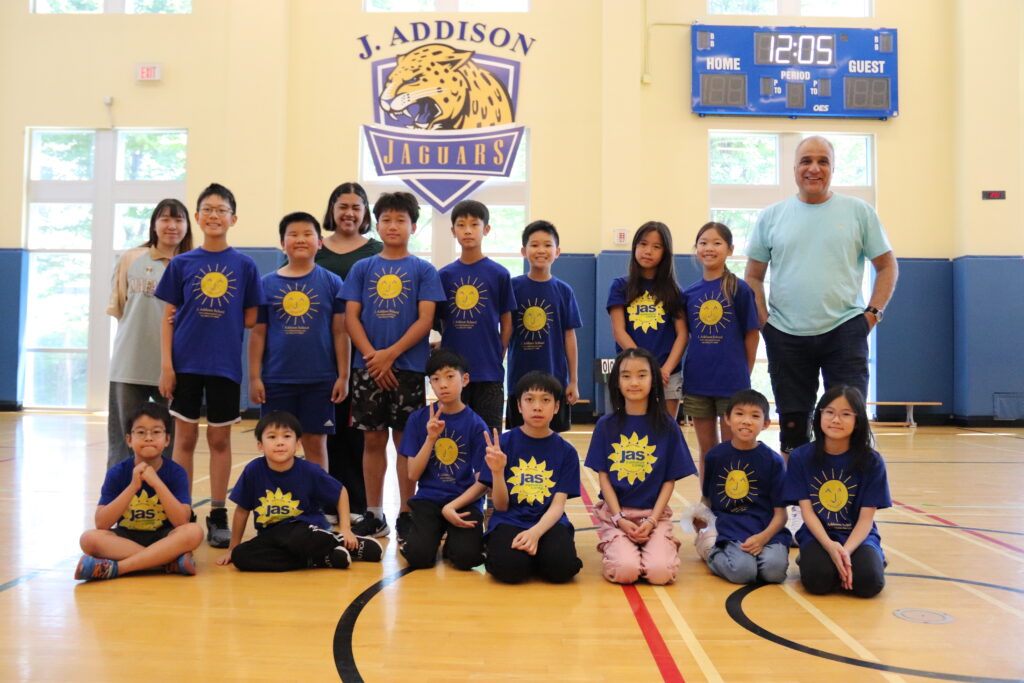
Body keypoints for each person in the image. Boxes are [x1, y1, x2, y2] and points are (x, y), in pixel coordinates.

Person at [745, 135, 898, 455]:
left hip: (845, 331)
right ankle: (797, 489)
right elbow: (753, 276)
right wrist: (764, 322)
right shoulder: (771, 216)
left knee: (847, 424)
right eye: (806, 161)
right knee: (793, 429)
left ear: (833, 168)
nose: (814, 168)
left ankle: (847, 487)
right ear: (794, 168)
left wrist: (872, 314)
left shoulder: (859, 212)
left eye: (822, 162)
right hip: (785, 335)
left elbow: (887, 266)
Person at [155, 183, 263, 548]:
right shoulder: (181, 264)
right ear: (198, 217)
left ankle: (218, 512)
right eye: (208, 210)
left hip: (224, 365)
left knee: (219, 439)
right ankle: (182, 511)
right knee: (184, 439)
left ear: (233, 219)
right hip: (185, 365)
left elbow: (251, 318)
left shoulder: (245, 265)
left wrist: (217, 318)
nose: (214, 216)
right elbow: (168, 317)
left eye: (221, 210)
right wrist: (167, 366)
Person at [342, 192, 446, 540]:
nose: (393, 225)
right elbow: (351, 318)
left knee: (406, 443)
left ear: (413, 226)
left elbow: (425, 320)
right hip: (368, 368)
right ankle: (374, 514)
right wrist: (374, 356)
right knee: (372, 442)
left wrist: (390, 354)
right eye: (386, 219)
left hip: (409, 369)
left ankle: (406, 512)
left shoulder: (423, 270)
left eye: (401, 220)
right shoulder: (362, 268)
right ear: (377, 224)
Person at [216, 411, 382, 572]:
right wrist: (232, 548)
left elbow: (340, 492)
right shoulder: (253, 470)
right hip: (271, 536)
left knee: (295, 535)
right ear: (260, 445)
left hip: (304, 530)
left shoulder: (309, 471)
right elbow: (241, 511)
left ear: (297, 444)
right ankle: (318, 558)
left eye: (287, 436)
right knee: (241, 556)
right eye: (272, 437)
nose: (280, 442)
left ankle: (339, 541)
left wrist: (345, 529)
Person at [248, 211, 348, 473]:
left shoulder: (333, 283)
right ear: (283, 243)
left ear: (320, 243)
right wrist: (255, 377)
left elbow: (341, 332)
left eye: (307, 234)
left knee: (316, 443)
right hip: (277, 380)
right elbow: (258, 334)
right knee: (278, 445)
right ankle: (279, 498)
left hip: (320, 380)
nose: (300, 239)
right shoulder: (266, 284)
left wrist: (343, 376)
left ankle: (318, 498)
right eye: (293, 235)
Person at [585, 348, 695, 585]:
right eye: (626, 376)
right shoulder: (605, 425)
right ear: (616, 381)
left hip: (654, 515)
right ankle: (617, 546)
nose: (634, 382)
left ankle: (658, 545)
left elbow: (669, 480)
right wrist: (619, 518)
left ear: (653, 380)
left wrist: (653, 521)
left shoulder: (668, 426)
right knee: (625, 571)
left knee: (660, 573)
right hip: (618, 515)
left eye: (642, 375)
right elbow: (604, 478)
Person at [106, 199, 193, 468]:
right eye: (165, 219)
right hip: (130, 364)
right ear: (154, 225)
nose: (171, 226)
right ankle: (119, 491)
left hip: (175, 367)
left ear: (187, 226)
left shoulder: (193, 265)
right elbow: (120, 308)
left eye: (178, 220)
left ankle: (165, 491)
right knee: (123, 441)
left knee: (171, 439)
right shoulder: (131, 259)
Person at [315, 182, 383, 522]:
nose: (349, 213)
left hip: (365, 356)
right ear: (332, 210)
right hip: (319, 354)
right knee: (324, 433)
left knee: (358, 434)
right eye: (343, 206)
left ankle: (356, 505)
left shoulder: (377, 251)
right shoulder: (314, 248)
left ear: (366, 213)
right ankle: (326, 503)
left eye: (357, 207)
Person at [783, 386, 890, 597]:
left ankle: (875, 556)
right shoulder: (801, 457)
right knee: (818, 581)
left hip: (857, 535)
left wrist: (845, 553)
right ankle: (809, 557)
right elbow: (807, 512)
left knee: (868, 583)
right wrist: (830, 547)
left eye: (846, 414)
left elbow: (866, 519)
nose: (836, 420)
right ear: (819, 415)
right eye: (829, 412)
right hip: (818, 535)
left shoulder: (872, 461)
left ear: (857, 420)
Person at [76, 403, 203, 581]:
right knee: (88, 539)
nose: (148, 438)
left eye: (156, 432)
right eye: (141, 432)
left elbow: (182, 521)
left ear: (167, 439)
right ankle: (167, 562)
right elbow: (102, 523)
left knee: (194, 532)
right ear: (129, 439)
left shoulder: (176, 472)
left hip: (164, 537)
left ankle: (117, 568)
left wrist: (157, 483)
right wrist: (132, 487)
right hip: (126, 539)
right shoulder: (117, 472)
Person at [479, 371, 583, 584]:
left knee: (561, 569)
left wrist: (535, 533)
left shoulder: (567, 452)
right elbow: (501, 506)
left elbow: (557, 506)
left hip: (548, 522)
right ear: (519, 406)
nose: (537, 407)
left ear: (556, 407)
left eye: (545, 400)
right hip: (509, 520)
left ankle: (539, 554)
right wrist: (497, 472)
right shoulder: (503, 445)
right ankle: (528, 557)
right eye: (529, 400)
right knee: (510, 570)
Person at [397, 348, 489, 570]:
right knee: (418, 556)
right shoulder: (418, 419)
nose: (443, 385)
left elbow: (483, 482)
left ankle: (453, 543)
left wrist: (452, 507)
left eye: (450, 376)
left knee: (466, 558)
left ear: (464, 379)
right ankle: (432, 535)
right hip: (429, 499)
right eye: (436, 379)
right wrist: (430, 439)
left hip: (464, 501)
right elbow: (413, 474)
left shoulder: (476, 425)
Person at [682, 222, 759, 480]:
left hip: (732, 384)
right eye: (703, 243)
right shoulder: (689, 294)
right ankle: (708, 500)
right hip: (697, 383)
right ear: (696, 249)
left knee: (731, 449)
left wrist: (744, 374)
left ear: (730, 249)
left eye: (717, 243)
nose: (709, 248)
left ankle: (732, 499)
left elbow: (752, 334)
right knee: (708, 451)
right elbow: (685, 336)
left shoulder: (740, 289)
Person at [437, 199, 517, 431]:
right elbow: (440, 320)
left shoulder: (499, 273)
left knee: (489, 435)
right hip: (453, 372)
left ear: (486, 229)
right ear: (453, 231)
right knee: (454, 436)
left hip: (488, 371)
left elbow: (507, 322)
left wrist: (498, 353)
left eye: (474, 224)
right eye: (461, 225)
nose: (468, 230)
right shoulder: (444, 275)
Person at [697, 389, 790, 585]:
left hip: (766, 530)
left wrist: (763, 538)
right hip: (731, 531)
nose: (746, 421)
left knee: (774, 572)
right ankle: (711, 552)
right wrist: (700, 522)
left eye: (755, 416)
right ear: (727, 419)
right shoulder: (715, 456)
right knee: (743, 572)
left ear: (766, 424)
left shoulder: (773, 461)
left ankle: (752, 557)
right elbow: (707, 499)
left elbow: (781, 515)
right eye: (739, 414)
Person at [506, 221, 581, 433]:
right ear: (524, 251)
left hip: (555, 380)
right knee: (518, 439)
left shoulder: (564, 291)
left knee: (553, 440)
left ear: (557, 252)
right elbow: (505, 331)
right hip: (519, 380)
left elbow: (569, 337)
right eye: (534, 245)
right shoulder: (513, 287)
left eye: (547, 245)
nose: (541, 250)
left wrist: (573, 381)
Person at [608, 222, 687, 418]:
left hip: (668, 375)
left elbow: (683, 335)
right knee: (632, 427)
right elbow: (619, 331)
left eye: (656, 246)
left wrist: (665, 370)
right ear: (635, 246)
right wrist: (646, 366)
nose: (648, 251)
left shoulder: (674, 291)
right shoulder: (620, 286)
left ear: (665, 252)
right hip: (632, 371)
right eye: (643, 244)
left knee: (665, 429)